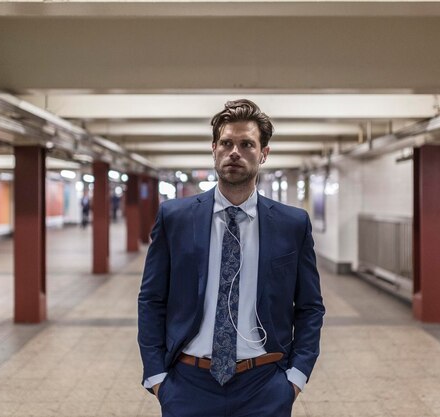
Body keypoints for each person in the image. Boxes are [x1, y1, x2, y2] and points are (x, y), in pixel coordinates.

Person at [137, 99, 325, 417]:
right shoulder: (175, 217)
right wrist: (158, 378)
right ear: (214, 148)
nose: (234, 152)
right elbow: (151, 299)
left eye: (246, 144)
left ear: (263, 154)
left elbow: (310, 307)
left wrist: (295, 378)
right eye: (226, 143)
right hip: (188, 384)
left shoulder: (292, 224)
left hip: (265, 385)